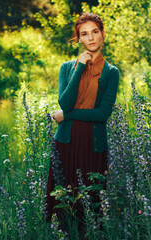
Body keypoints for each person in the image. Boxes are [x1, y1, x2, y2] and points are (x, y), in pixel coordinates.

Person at [46, 12, 120, 226]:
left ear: (102, 34)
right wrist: (79, 67)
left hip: (93, 145)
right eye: (84, 34)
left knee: (91, 208)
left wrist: (66, 116)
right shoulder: (67, 67)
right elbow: (65, 102)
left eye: (95, 32)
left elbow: (103, 113)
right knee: (62, 209)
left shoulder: (111, 72)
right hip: (65, 144)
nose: (91, 38)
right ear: (78, 38)